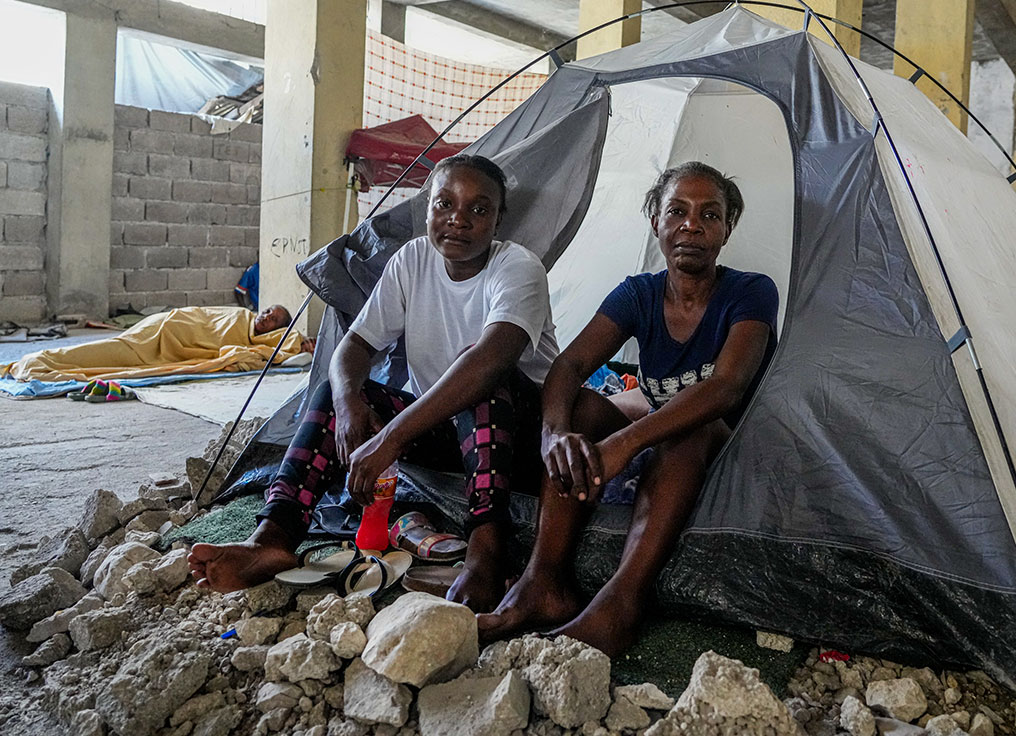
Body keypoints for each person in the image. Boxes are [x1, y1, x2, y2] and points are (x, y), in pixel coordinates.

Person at [188, 155, 559, 612]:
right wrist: (348, 405)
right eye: (444, 204)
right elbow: (354, 346)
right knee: (337, 390)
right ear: (427, 208)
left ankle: (487, 552)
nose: (458, 219)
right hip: (453, 436)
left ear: (499, 219)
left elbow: (490, 361)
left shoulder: (518, 267)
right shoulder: (414, 259)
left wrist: (389, 439)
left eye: (478, 209)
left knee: (480, 377)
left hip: (527, 441)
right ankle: (273, 537)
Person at [478, 162, 778, 655]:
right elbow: (569, 365)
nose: (691, 225)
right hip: (663, 447)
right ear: (656, 222)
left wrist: (626, 441)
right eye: (676, 211)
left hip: (729, 451)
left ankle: (620, 606)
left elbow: (725, 388)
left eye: (709, 215)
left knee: (690, 425)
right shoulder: (639, 294)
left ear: (727, 229)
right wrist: (555, 434)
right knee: (581, 410)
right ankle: (543, 582)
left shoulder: (750, 292)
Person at [2, 304, 311, 382]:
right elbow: (204, 315)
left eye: (273, 318)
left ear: (278, 328)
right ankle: (38, 360)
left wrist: (302, 344)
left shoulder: (257, 343)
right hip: (161, 326)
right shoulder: (241, 314)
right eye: (267, 310)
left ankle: (39, 361)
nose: (265, 317)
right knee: (110, 347)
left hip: (163, 348)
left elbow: (284, 347)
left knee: (108, 355)